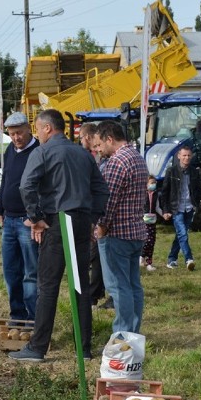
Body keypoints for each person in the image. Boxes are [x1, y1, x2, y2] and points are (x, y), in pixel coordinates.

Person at [9, 109, 109, 362]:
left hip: (58, 221)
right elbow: (100, 189)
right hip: (81, 220)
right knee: (80, 287)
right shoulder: (82, 153)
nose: (36, 134)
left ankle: (38, 347)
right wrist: (92, 219)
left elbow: (26, 185)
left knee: (48, 286)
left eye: (37, 128)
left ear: (46, 128)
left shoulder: (43, 152)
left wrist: (36, 217)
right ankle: (83, 348)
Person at [94, 121, 148, 333]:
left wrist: (102, 227)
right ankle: (132, 331)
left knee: (118, 287)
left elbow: (108, 200)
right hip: (136, 232)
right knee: (133, 285)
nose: (98, 149)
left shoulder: (117, 162)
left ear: (109, 138)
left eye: (100, 144)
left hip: (118, 234)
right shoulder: (137, 157)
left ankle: (122, 334)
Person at [0, 112, 40, 322]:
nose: (16, 138)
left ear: (29, 129)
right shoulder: (10, 150)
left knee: (30, 272)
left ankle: (33, 317)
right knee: (10, 270)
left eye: (19, 133)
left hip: (27, 220)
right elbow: (6, 182)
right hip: (9, 220)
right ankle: (17, 314)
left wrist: (36, 215)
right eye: (12, 134)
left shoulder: (39, 151)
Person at [80, 122, 112, 309]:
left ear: (89, 137)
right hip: (97, 215)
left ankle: (96, 292)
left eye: (82, 138)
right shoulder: (96, 158)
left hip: (102, 216)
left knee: (97, 256)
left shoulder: (101, 159)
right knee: (96, 256)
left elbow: (104, 190)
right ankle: (97, 290)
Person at [159, 146, 201, 270]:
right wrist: (165, 210)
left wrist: (196, 204)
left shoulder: (195, 172)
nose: (186, 158)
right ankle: (189, 259)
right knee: (183, 234)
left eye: (188, 155)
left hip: (189, 207)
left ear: (191, 156)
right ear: (179, 156)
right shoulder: (171, 171)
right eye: (184, 155)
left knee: (180, 235)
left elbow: (199, 190)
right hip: (176, 208)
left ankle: (172, 259)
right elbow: (165, 192)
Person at [141, 175, 160, 272]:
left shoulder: (156, 194)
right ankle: (141, 256)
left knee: (152, 242)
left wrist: (164, 214)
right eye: (151, 182)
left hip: (152, 221)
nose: (153, 185)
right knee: (146, 240)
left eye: (154, 183)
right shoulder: (142, 194)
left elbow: (157, 207)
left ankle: (149, 263)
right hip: (144, 221)